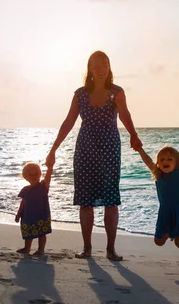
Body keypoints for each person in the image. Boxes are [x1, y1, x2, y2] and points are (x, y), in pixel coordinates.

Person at [46, 50, 142, 261]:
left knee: (110, 199)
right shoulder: (80, 94)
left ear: (109, 68)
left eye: (104, 64)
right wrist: (53, 149)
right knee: (85, 200)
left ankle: (110, 249)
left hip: (109, 150)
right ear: (89, 69)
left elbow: (125, 114)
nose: (100, 69)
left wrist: (134, 135)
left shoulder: (116, 92)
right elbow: (69, 121)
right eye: (96, 65)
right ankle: (87, 248)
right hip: (85, 149)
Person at [135, 135, 179, 265]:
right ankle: (168, 234)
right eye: (161, 159)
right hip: (165, 214)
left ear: (177, 161)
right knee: (159, 242)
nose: (165, 161)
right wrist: (140, 149)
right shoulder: (158, 174)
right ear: (158, 163)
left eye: (169, 159)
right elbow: (147, 160)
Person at [15, 162, 53, 256]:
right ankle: (27, 248)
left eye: (36, 174)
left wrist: (49, 168)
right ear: (25, 177)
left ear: (40, 174)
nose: (33, 176)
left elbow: (48, 177)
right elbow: (23, 203)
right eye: (30, 175)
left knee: (42, 233)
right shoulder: (25, 189)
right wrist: (18, 214)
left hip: (42, 214)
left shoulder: (43, 186)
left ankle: (41, 250)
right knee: (28, 233)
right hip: (28, 215)